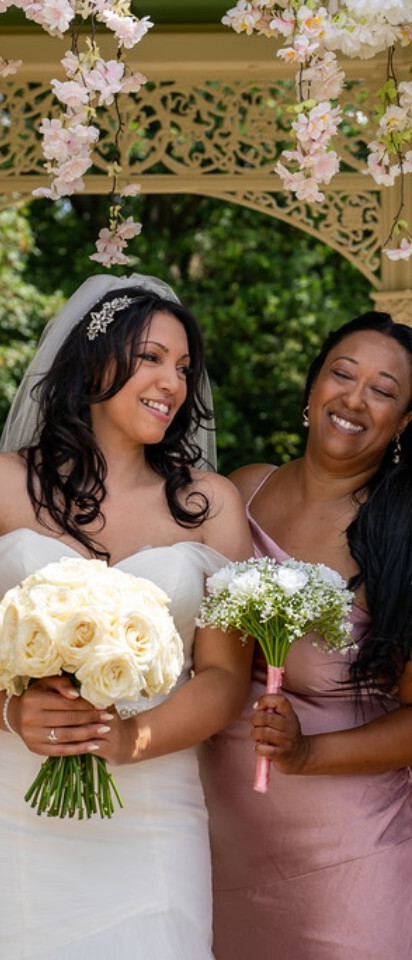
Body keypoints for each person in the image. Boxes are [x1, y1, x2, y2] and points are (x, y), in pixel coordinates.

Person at [0, 273, 254, 960]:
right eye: (152, 358)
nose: (174, 381)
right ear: (93, 360)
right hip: (4, 806)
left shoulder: (213, 504)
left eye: (185, 368)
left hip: (154, 808)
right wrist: (18, 713)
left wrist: (133, 738)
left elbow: (226, 676)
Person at [200, 312, 412, 960]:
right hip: (220, 847)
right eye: (342, 374)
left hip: (347, 858)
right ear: (312, 385)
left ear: (405, 422)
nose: (353, 398)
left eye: (383, 389)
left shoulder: (399, 535)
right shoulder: (240, 491)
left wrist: (306, 756)